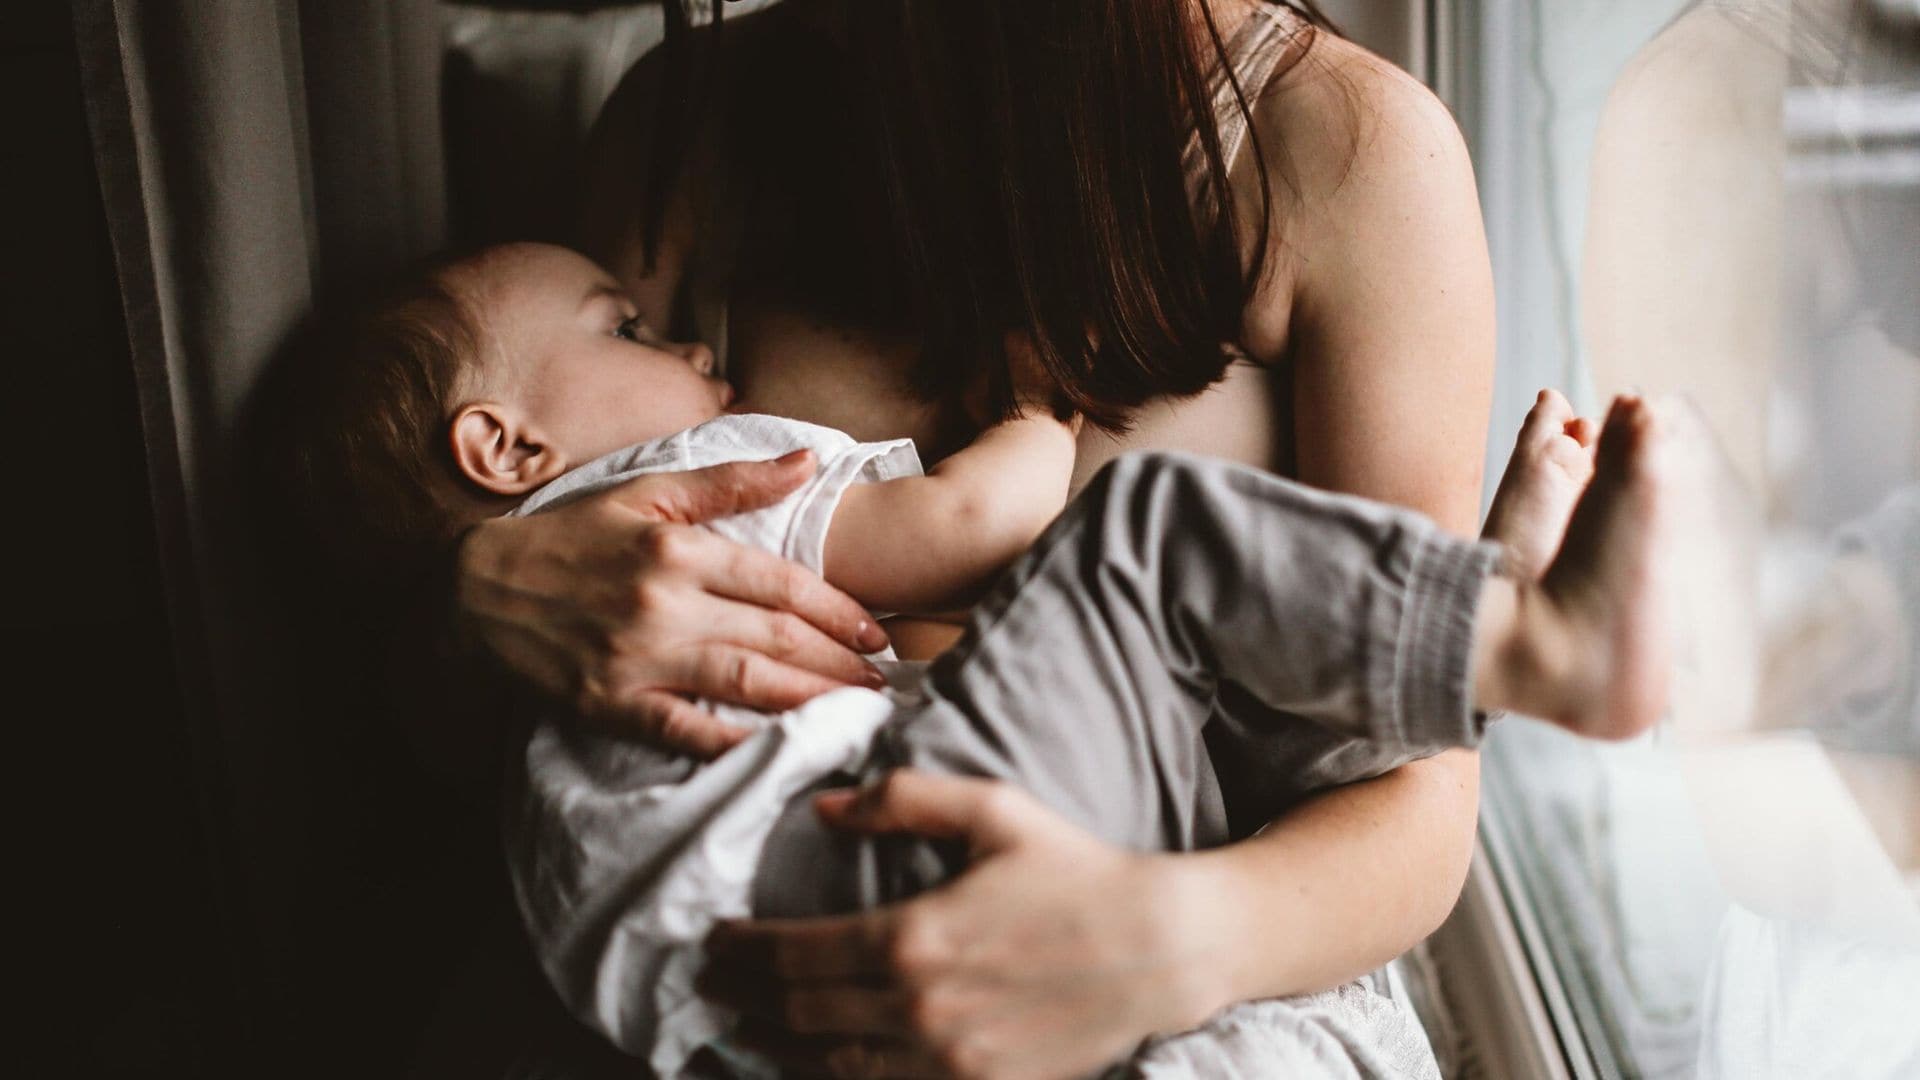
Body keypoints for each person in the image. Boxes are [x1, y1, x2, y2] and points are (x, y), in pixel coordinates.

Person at [289, 239, 1690, 1076]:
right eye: (630, 328)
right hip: (880, 857)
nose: (690, 343)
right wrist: (1037, 397)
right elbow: (975, 522)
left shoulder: (1371, 166)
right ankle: (1524, 629)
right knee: (1148, 535)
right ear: (505, 448)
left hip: (770, 986)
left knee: (1268, 715)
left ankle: (1491, 616)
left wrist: (1172, 940)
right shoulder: (675, 482)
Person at [446, 1, 1501, 1074]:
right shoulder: (688, 123)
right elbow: (515, 484)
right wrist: (483, 583)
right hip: (784, 934)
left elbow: (1420, 798)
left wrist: (1159, 938)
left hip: (1192, 960)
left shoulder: (1349, 151)